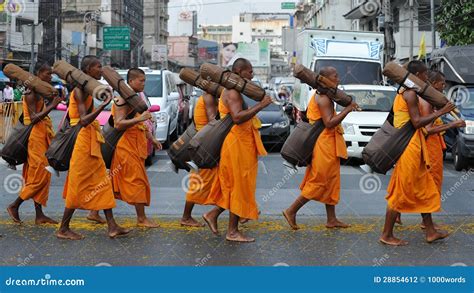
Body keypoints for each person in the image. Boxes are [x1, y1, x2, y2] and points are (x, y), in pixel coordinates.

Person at [379, 60, 456, 246]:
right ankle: (386, 234)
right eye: (423, 74)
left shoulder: (402, 92)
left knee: (425, 188)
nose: (425, 78)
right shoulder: (410, 93)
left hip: (413, 146)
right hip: (409, 147)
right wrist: (442, 112)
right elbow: (417, 123)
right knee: (400, 192)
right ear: (417, 75)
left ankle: (430, 231)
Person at [57, 56, 131, 240]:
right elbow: (83, 120)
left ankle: (112, 226)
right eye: (98, 67)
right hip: (82, 140)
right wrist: (103, 106)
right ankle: (63, 228)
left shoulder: (88, 89)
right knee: (78, 183)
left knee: (102, 182)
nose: (101, 70)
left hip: (90, 139)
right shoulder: (79, 91)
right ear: (88, 69)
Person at [203, 58, 272, 242]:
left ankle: (213, 214)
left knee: (234, 186)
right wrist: (261, 106)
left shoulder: (234, 91)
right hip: (236, 145)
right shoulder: (232, 92)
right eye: (250, 71)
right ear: (240, 71)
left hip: (239, 144)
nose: (252, 75)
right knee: (238, 187)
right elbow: (237, 117)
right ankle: (232, 231)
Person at [283, 67, 359, 230]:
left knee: (330, 181)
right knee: (319, 181)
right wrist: (347, 109)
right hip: (323, 144)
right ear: (324, 79)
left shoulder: (325, 95)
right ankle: (291, 210)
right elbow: (329, 122)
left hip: (328, 142)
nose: (338, 78)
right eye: (335, 76)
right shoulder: (323, 97)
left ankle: (331, 219)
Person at [396, 71, 466, 228]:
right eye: (442, 83)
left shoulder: (429, 101)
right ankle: (419, 222)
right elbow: (427, 129)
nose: (444, 86)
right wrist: (452, 124)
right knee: (426, 185)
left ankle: (420, 222)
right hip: (427, 148)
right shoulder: (425, 101)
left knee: (419, 185)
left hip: (430, 147)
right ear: (433, 84)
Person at [6, 63, 63, 225]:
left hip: (43, 135)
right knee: (41, 174)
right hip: (35, 137)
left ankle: (39, 214)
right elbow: (32, 119)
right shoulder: (31, 92)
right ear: (38, 74)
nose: (50, 77)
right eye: (47, 74)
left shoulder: (40, 91)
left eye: (51, 74)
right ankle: (14, 205)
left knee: (42, 174)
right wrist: (52, 105)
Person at [110, 68, 162, 228]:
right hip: (126, 147)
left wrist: (152, 138)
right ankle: (141, 218)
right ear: (131, 81)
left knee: (117, 182)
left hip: (136, 145)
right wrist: (142, 117)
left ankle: (95, 212)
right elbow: (118, 124)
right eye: (141, 80)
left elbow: (140, 122)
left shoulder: (134, 99)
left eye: (144, 80)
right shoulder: (123, 100)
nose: (144, 83)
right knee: (136, 181)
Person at [180, 81, 219, 227]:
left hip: (205, 142)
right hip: (205, 145)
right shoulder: (209, 97)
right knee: (198, 182)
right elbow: (213, 120)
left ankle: (239, 212)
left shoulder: (211, 96)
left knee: (221, 179)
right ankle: (186, 217)